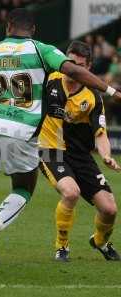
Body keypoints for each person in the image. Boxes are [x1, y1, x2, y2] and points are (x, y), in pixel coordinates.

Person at [0, 8, 121, 274]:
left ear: (7, 27)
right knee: (23, 188)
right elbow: (73, 71)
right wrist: (113, 90)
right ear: (32, 30)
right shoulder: (41, 50)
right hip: (22, 132)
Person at [39, 41, 120, 262]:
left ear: (89, 68)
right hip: (49, 150)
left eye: (80, 65)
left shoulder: (93, 97)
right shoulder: (50, 79)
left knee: (110, 209)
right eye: (70, 62)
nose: (73, 68)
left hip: (80, 155)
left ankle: (100, 242)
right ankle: (62, 246)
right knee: (71, 192)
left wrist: (105, 155)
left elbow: (100, 133)